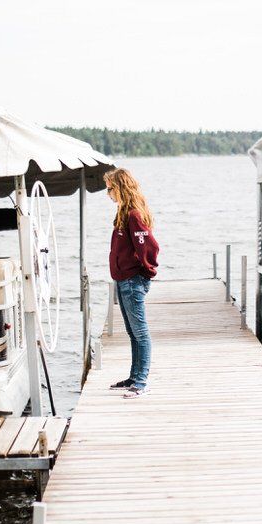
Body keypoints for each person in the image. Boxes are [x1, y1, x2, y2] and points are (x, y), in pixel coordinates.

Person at [104, 168, 159, 397]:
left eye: (110, 188)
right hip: (122, 280)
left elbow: (150, 246)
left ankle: (141, 382)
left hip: (132, 281)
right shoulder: (123, 213)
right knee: (132, 332)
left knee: (140, 333)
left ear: (121, 187)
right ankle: (134, 377)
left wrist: (147, 271)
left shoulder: (134, 215)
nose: (108, 193)